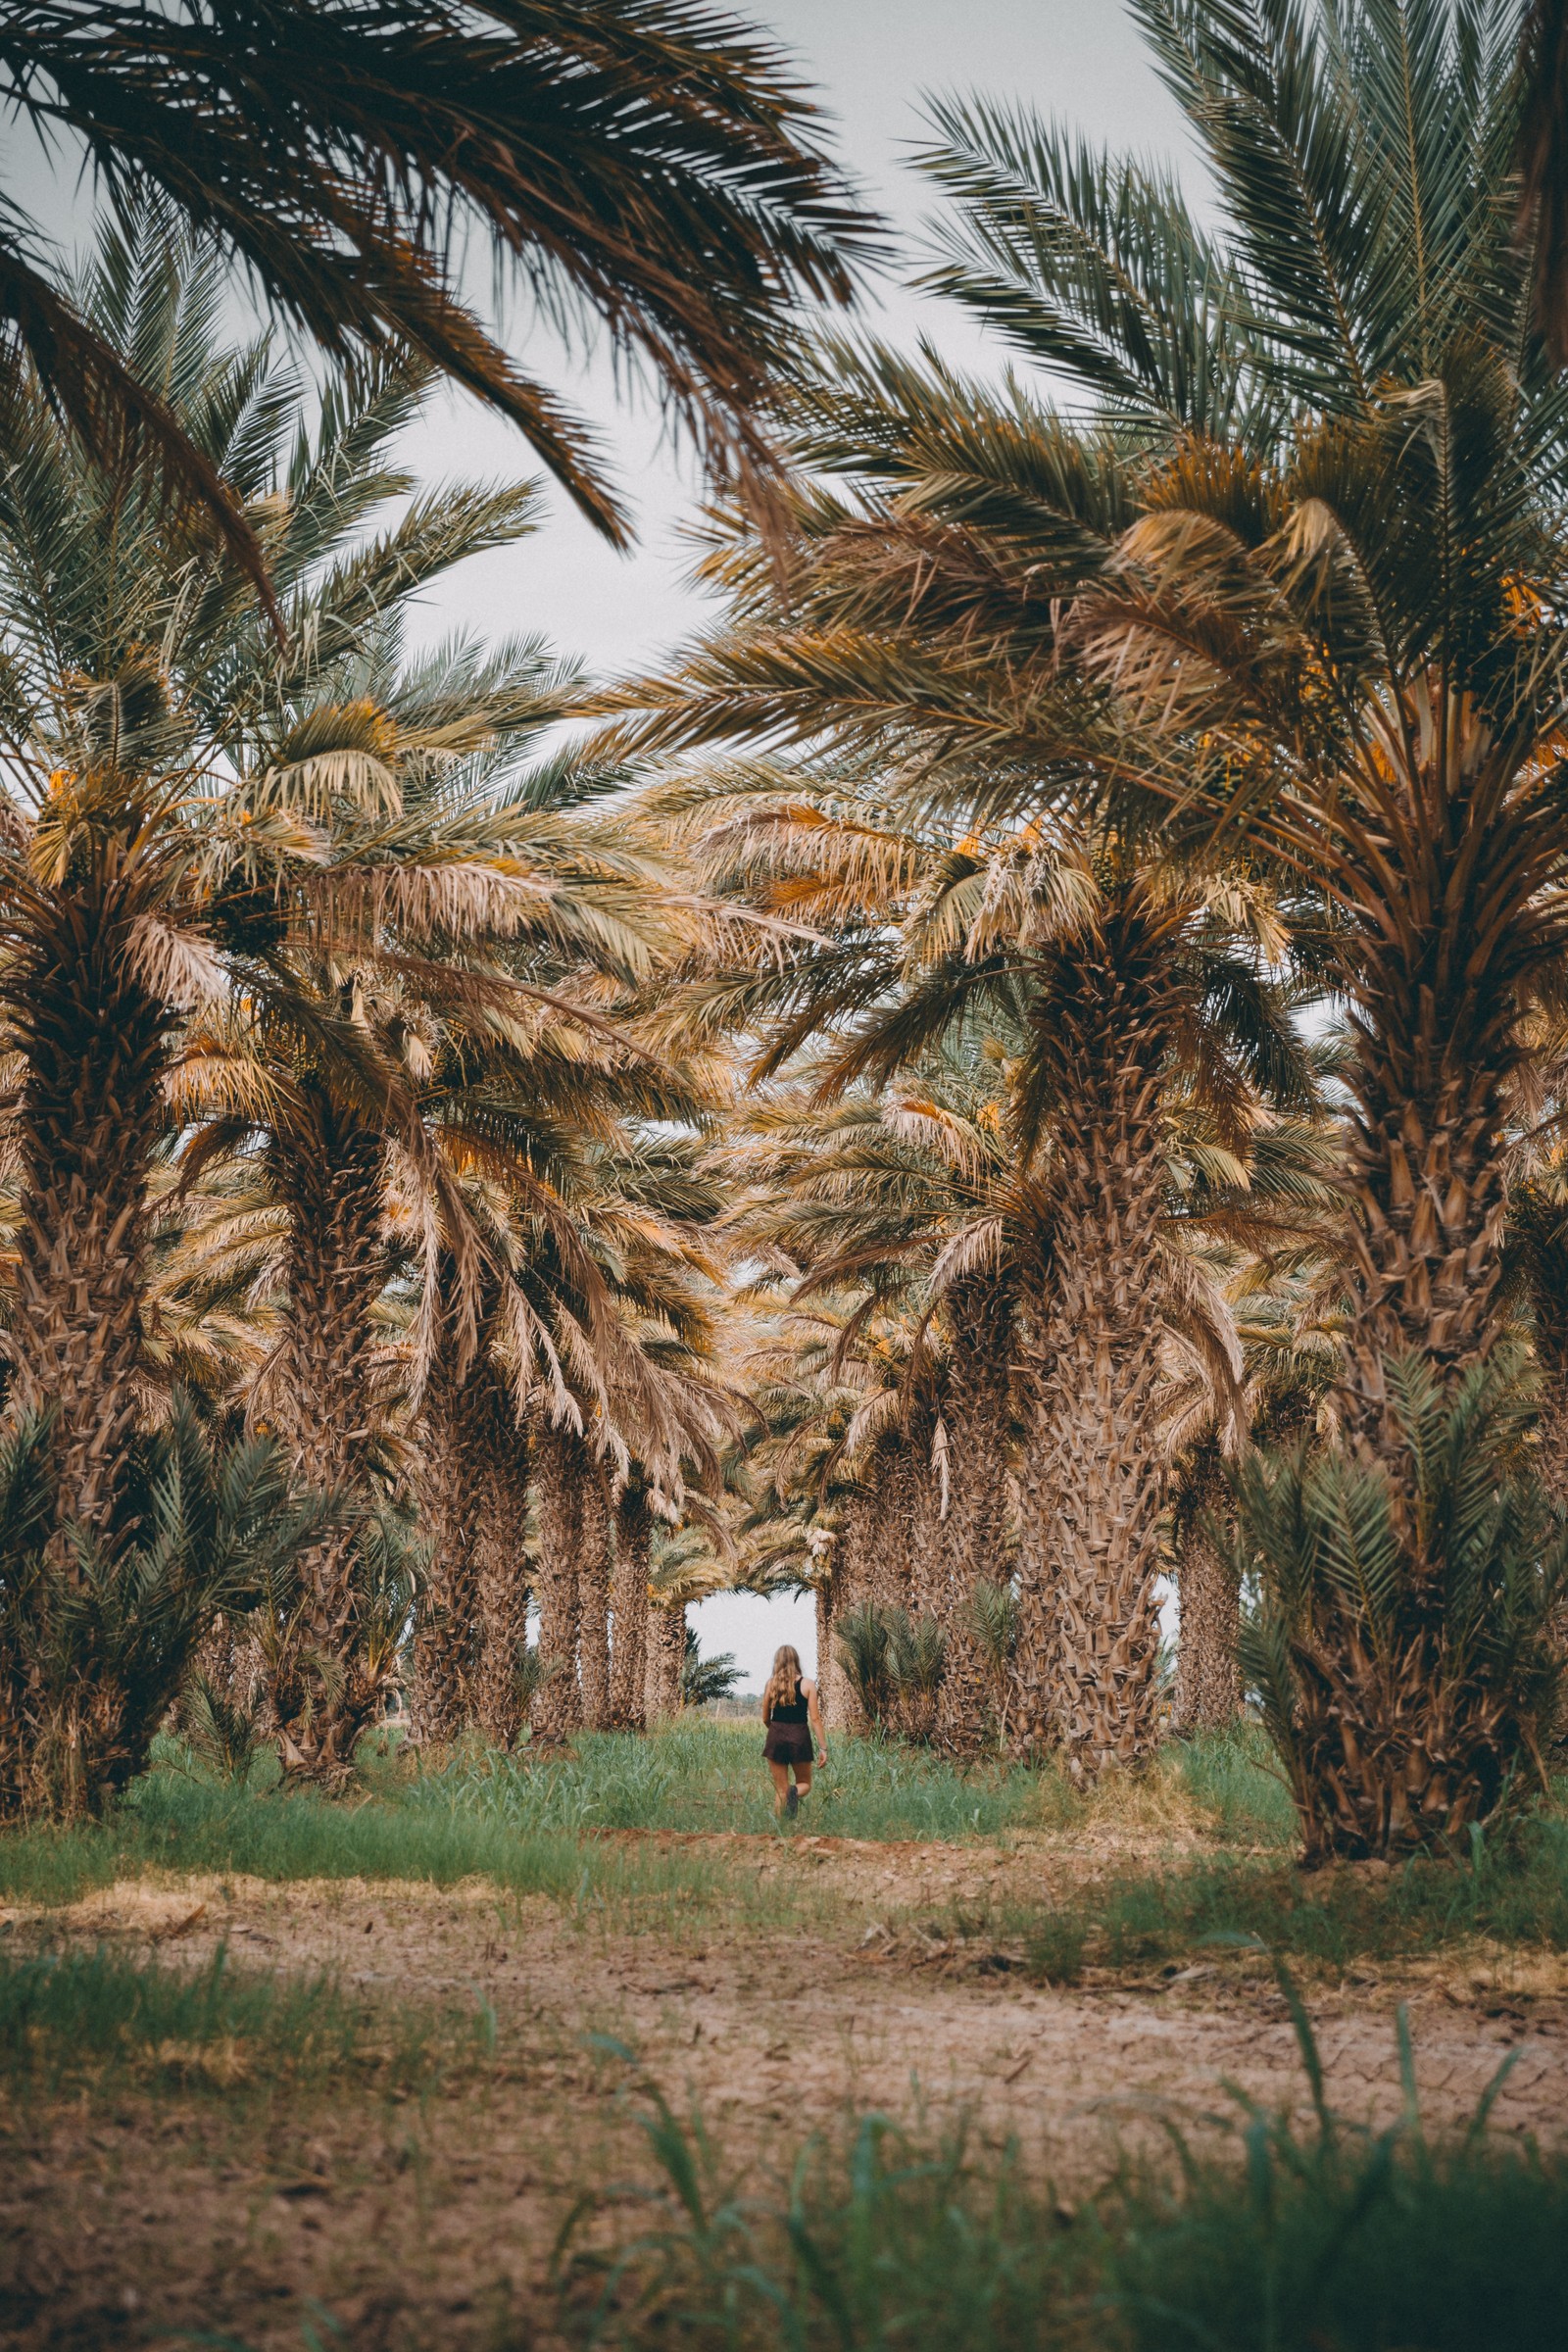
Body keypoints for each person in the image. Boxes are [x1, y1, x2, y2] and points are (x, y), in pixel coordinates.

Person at [760, 1643, 826, 1821]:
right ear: (796, 1660)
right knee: (804, 1784)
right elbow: (815, 1719)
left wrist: (775, 1731)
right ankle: (794, 1792)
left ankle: (780, 1830)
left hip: (775, 1736)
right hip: (799, 1737)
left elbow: (765, 1717)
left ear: (777, 1662)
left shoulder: (771, 1684)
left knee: (780, 1789)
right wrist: (823, 1748)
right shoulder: (808, 1684)